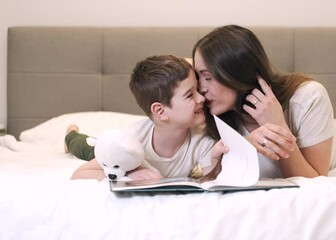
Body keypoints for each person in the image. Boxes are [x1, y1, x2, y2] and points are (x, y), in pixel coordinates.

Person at [192, 25, 336, 178]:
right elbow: (172, 75)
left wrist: (278, 125)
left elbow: (314, 180)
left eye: (207, 77)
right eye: (197, 77)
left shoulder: (307, 97)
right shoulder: (213, 112)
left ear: (237, 74)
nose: (201, 88)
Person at [69, 55, 227, 181]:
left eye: (198, 90)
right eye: (190, 95)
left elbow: (210, 178)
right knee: (85, 146)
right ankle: (70, 134)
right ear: (160, 111)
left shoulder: (202, 141)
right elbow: (79, 174)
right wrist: (127, 176)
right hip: (114, 156)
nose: (201, 99)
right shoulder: (129, 141)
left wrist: (214, 159)